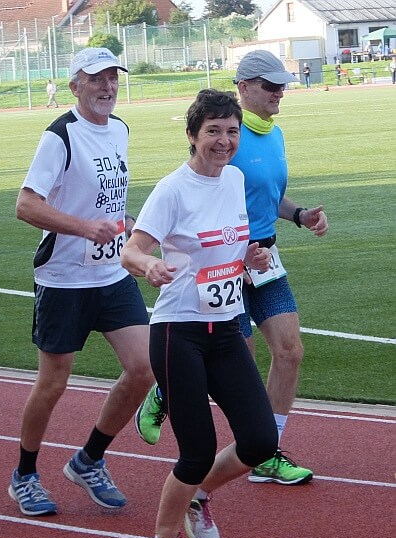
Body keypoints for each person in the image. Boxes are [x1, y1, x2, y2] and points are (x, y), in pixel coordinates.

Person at [136, 50, 329, 487]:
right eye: (269, 84)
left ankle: (268, 453)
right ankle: (165, 391)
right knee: (232, 360)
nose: (278, 91)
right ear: (243, 88)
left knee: (290, 351)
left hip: (262, 257)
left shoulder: (271, 135)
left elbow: (266, 197)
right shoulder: (222, 144)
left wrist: (300, 215)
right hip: (218, 267)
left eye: (281, 84)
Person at [121, 89, 278, 538]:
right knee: (196, 450)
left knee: (259, 439)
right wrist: (150, 266)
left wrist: (250, 259)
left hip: (227, 328)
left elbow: (230, 242)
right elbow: (132, 250)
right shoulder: (172, 189)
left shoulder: (233, 179)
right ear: (192, 135)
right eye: (213, 131)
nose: (224, 141)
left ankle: (199, 494)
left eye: (231, 131)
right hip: (178, 333)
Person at [8, 47, 155, 517]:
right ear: (75, 86)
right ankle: (24, 475)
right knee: (53, 381)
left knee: (144, 367)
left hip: (111, 274)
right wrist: (81, 226)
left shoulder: (120, 130)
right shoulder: (60, 137)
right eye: (96, 79)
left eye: (113, 78)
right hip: (64, 279)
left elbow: (108, 202)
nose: (107, 87)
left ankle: (89, 459)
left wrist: (125, 223)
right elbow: (26, 205)